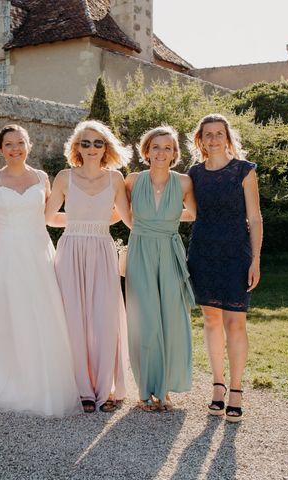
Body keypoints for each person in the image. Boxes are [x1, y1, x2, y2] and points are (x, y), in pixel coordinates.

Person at [0, 125, 81, 416]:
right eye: (9, 144)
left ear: (29, 145)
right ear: (0, 149)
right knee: (2, 315)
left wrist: (89, 220)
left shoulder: (41, 177)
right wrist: (3, 233)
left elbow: (48, 217)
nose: (15, 149)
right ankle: (1, 381)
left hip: (37, 254)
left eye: (20, 143)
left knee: (39, 314)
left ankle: (37, 383)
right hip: (3, 254)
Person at [45, 120, 132, 413]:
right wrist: (77, 223)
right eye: (86, 143)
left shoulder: (116, 179)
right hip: (70, 250)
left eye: (98, 143)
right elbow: (48, 216)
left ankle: (106, 388)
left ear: (106, 147)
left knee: (104, 319)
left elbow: (126, 217)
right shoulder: (64, 177)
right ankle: (82, 388)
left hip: (103, 249)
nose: (92, 148)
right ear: (76, 147)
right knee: (74, 320)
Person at [186, 113, 263, 423]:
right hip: (203, 252)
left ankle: (236, 390)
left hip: (236, 253)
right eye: (208, 134)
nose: (214, 139)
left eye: (219, 133)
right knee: (211, 319)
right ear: (200, 140)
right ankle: (217, 385)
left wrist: (256, 258)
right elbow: (190, 213)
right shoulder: (193, 174)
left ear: (228, 137)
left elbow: (255, 218)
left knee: (236, 322)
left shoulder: (244, 171)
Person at [124, 126, 196, 412]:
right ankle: (144, 390)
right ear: (146, 151)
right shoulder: (131, 181)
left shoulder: (184, 183)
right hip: (140, 252)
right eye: (155, 147)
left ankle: (164, 389)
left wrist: (168, 222)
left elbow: (195, 214)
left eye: (167, 147)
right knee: (147, 321)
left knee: (171, 319)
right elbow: (119, 211)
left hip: (169, 251)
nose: (161, 152)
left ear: (175, 153)